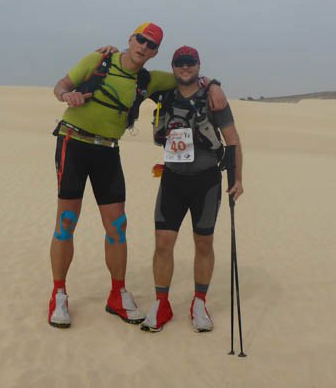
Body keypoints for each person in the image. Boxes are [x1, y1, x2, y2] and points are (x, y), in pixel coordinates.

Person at [48, 24, 227, 329]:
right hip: (73, 143)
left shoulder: (149, 79)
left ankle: (117, 294)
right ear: (130, 39)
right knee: (66, 222)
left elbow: (187, 77)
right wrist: (68, 95)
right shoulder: (98, 60)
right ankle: (58, 294)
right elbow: (60, 86)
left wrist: (213, 85)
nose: (144, 46)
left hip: (108, 151)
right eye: (141, 39)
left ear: (155, 52)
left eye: (151, 45)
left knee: (117, 226)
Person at [139, 45, 243, 333]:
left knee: (203, 243)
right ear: (172, 66)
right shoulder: (164, 95)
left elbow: (233, 140)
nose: (185, 67)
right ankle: (161, 303)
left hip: (206, 181)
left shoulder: (214, 99)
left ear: (198, 65)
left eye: (191, 62)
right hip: (172, 179)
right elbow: (134, 74)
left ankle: (199, 302)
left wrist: (238, 178)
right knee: (163, 243)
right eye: (180, 62)